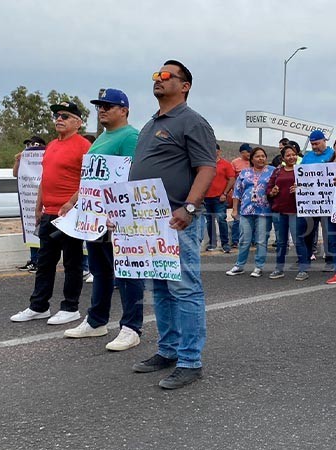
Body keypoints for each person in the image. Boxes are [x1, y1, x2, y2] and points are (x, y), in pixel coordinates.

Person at [128, 60, 218, 390]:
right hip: (147, 221)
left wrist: (189, 206)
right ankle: (168, 350)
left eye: (167, 76)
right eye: (156, 74)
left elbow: (206, 167)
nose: (159, 79)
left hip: (177, 219)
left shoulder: (192, 122)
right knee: (161, 287)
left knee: (184, 288)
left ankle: (190, 361)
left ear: (185, 86)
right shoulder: (151, 124)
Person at [61, 88, 144, 351]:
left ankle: (131, 327)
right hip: (93, 214)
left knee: (128, 272)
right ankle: (97, 321)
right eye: (100, 106)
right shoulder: (100, 139)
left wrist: (120, 212)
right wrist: (73, 200)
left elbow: (132, 175)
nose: (102, 110)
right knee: (100, 270)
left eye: (109, 106)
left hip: (116, 217)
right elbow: (92, 178)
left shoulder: (131, 136)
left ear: (124, 110)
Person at [10, 102, 91, 325]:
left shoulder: (84, 146)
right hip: (48, 214)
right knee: (45, 262)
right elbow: (45, 180)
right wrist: (38, 207)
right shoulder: (52, 146)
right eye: (56, 115)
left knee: (73, 262)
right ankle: (39, 306)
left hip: (70, 214)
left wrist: (71, 203)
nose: (59, 119)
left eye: (65, 116)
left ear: (78, 122)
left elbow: (89, 181)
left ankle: (70, 307)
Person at [226, 147, 275, 277]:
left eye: (263, 156)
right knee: (244, 239)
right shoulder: (244, 173)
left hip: (264, 210)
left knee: (261, 239)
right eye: (258, 156)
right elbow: (237, 192)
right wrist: (235, 209)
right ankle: (239, 265)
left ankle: (259, 266)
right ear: (252, 159)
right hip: (246, 210)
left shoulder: (272, 171)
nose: (261, 159)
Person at [265, 146, 311, 280]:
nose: (292, 157)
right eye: (288, 155)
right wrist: (271, 192)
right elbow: (269, 188)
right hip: (280, 210)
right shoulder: (277, 171)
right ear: (283, 158)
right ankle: (279, 269)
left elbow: (310, 188)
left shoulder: (301, 171)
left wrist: (300, 189)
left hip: (296, 211)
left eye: (294, 155)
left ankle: (303, 269)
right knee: (281, 242)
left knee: (298, 240)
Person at [301, 130, 336, 271]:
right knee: (309, 230)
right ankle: (307, 257)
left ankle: (330, 259)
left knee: (329, 231)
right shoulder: (308, 156)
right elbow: (301, 175)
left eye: (317, 143)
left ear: (324, 141)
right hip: (310, 201)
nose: (315, 147)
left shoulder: (333, 154)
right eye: (312, 144)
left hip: (328, 201)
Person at [15, 136, 47, 272]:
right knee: (31, 230)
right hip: (29, 200)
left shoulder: (47, 157)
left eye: (32, 145)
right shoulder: (25, 160)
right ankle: (34, 260)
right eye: (27, 145)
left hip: (44, 200)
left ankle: (41, 262)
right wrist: (18, 161)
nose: (29, 147)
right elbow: (15, 174)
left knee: (43, 233)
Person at [203, 144, 236, 253]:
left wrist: (225, 193)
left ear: (219, 151)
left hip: (219, 198)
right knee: (209, 221)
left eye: (214, 150)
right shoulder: (204, 164)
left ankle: (225, 243)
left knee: (221, 219)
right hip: (206, 198)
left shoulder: (225, 164)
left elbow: (231, 179)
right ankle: (212, 243)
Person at [230, 143, 252, 248]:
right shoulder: (235, 162)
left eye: (250, 151)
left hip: (252, 195)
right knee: (237, 218)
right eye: (247, 152)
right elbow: (231, 177)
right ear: (242, 152)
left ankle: (252, 240)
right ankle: (235, 240)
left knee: (252, 218)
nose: (249, 153)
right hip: (239, 194)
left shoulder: (253, 161)